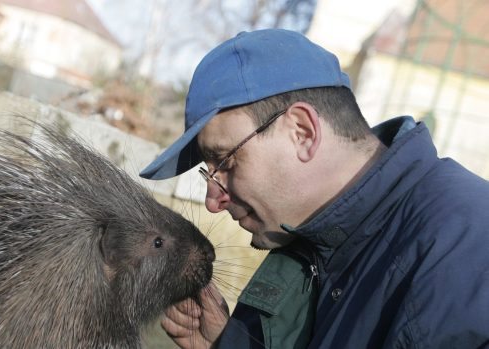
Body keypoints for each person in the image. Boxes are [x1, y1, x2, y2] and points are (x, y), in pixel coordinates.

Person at [139, 28, 489, 348]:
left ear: (302, 132)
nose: (214, 201)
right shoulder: (303, 237)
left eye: (225, 162)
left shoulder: (468, 248)